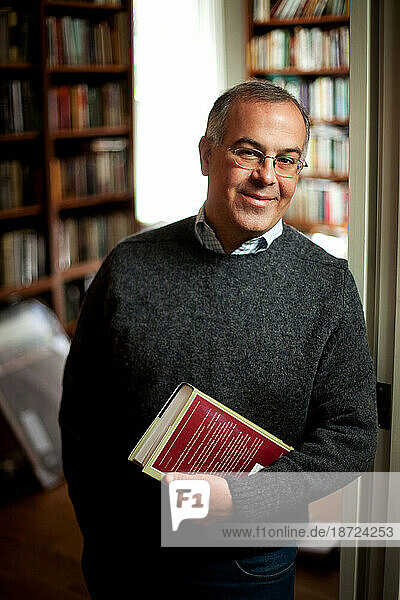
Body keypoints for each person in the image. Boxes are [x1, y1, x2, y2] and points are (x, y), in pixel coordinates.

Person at [59, 80, 377, 599]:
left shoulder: (327, 286)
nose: (266, 177)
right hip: (125, 555)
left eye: (287, 160)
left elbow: (352, 435)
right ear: (206, 154)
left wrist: (240, 499)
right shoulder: (129, 266)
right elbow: (83, 411)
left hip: (247, 562)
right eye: (248, 152)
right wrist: (98, 524)